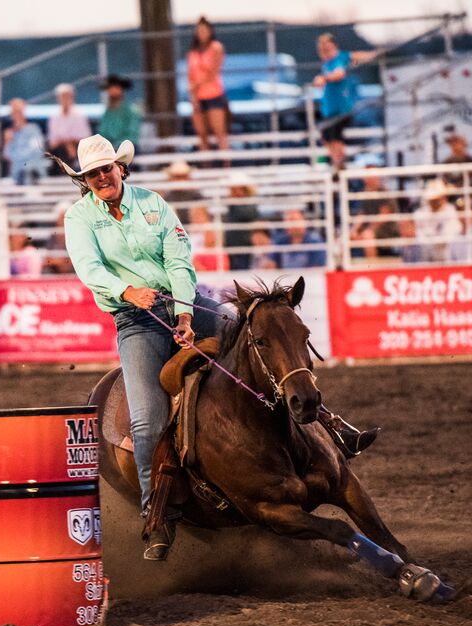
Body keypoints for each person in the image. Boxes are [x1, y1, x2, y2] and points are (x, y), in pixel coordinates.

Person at [53, 135, 376, 563]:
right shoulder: (79, 218)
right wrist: (127, 290)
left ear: (120, 169)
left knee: (261, 339)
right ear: (86, 181)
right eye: (92, 174)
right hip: (135, 318)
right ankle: (158, 512)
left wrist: (186, 315)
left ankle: (330, 426)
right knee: (147, 420)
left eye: (106, 169)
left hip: (185, 301)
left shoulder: (153, 203)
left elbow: (178, 261)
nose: (101, 178)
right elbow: (90, 269)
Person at [313, 33, 375, 172]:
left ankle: (339, 163)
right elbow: (355, 55)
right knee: (328, 136)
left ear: (334, 47)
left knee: (335, 135)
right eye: (322, 50)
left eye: (327, 49)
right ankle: (337, 163)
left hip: (341, 109)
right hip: (330, 108)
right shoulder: (330, 62)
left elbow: (340, 73)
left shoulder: (337, 60)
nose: (325, 53)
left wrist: (324, 79)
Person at [187, 17, 230, 160]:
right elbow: (190, 75)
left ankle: (226, 169)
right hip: (198, 96)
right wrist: (193, 96)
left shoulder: (216, 48)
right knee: (202, 135)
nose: (201, 33)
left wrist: (195, 85)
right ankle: (206, 170)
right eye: (199, 30)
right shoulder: (193, 52)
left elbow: (213, 71)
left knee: (219, 134)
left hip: (213, 94)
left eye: (204, 30)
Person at [407, 179, 459, 263]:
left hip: (445, 257)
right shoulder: (420, 213)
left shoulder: (451, 212)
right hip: (424, 257)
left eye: (436, 199)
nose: (433, 202)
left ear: (443, 198)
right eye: (432, 199)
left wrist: (430, 237)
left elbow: (448, 238)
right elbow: (418, 236)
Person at [353, 168, 399, 258]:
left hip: (387, 230)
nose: (367, 180)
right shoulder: (366, 194)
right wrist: (354, 230)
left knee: (367, 236)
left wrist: (368, 230)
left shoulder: (385, 193)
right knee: (348, 236)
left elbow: (384, 216)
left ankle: (372, 266)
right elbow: (362, 214)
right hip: (371, 229)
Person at [47, 83, 92, 169]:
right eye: (62, 96)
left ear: (72, 97)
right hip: (60, 149)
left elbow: (85, 138)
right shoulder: (54, 117)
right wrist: (66, 143)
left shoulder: (79, 115)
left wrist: (69, 143)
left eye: (67, 96)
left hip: (77, 148)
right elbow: (52, 141)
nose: (64, 99)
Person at [3, 98, 47, 185]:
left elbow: (37, 150)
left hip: (34, 172)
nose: (16, 115)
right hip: (16, 175)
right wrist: (8, 142)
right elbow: (7, 155)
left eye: (18, 111)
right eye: (14, 112)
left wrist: (17, 156)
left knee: (28, 172)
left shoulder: (34, 129)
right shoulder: (10, 133)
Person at [222, 172, 259, 271]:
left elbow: (247, 214)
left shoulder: (250, 203)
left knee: (243, 270)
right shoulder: (233, 205)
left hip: (244, 246)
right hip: (232, 246)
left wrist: (234, 202)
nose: (233, 191)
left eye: (236, 189)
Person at [97, 74, 141, 148]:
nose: (112, 92)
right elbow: (103, 131)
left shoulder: (131, 110)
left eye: (116, 88)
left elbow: (132, 135)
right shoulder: (108, 111)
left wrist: (116, 146)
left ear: (121, 90)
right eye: (109, 89)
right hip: (109, 148)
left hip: (127, 147)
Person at [189, 205, 228, 272]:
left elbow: (213, 244)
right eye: (193, 215)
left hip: (207, 258)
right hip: (194, 260)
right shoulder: (191, 229)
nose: (195, 218)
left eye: (198, 214)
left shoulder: (211, 227)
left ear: (205, 215)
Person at [163, 160, 202, 225]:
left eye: (183, 176)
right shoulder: (167, 198)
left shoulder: (196, 195)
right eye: (177, 177)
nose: (180, 180)